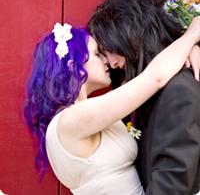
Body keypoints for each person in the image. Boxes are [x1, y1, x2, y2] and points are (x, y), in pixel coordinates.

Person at [24, 17, 200, 195]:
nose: (107, 60)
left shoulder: (90, 114)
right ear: (73, 67)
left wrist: (189, 50)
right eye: (97, 54)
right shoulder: (73, 119)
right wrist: (191, 35)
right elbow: (156, 77)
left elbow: (152, 77)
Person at [88, 0, 200, 194]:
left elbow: (171, 186)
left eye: (108, 49)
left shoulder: (179, 92)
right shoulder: (143, 91)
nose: (111, 64)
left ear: (128, 38)